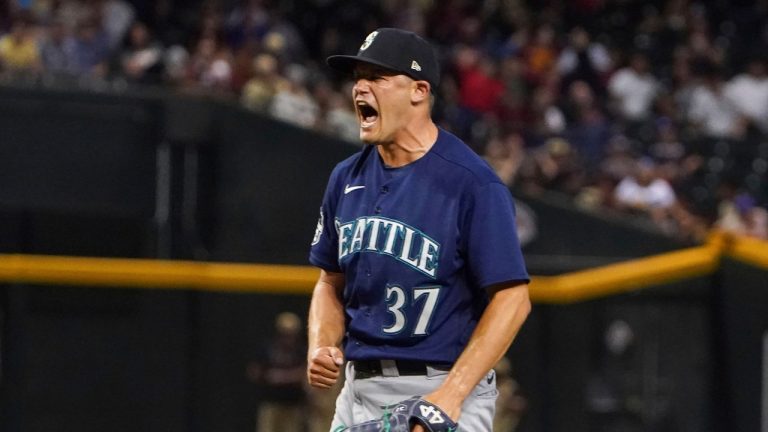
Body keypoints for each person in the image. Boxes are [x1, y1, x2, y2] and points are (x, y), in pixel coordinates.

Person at [306, 28, 531, 432]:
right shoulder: (346, 178)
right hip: (359, 390)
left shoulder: (472, 183)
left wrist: (451, 396)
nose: (359, 88)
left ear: (419, 90)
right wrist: (322, 343)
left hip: (442, 384)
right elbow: (328, 282)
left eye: (376, 77)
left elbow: (513, 299)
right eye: (357, 77)